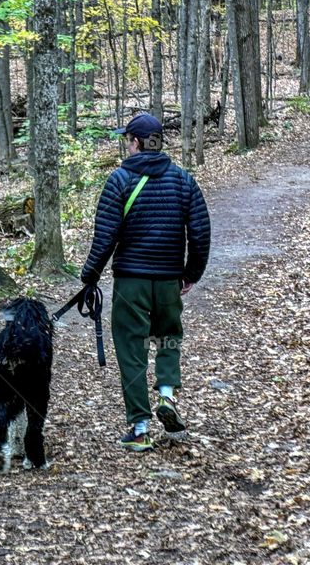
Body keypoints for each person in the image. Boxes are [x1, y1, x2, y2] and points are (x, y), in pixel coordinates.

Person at [81, 113, 211, 451]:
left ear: (136, 142)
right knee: (168, 338)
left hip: (131, 283)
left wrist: (90, 274)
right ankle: (167, 394)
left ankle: (140, 429)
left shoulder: (119, 180)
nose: (126, 144)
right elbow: (200, 233)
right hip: (169, 280)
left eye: (128, 139)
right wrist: (190, 274)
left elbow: (105, 236)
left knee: (132, 349)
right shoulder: (184, 181)